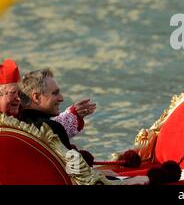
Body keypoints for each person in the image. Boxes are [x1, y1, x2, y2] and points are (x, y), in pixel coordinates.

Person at [17, 67, 149, 185]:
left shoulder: (18, 123)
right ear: (36, 97)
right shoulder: (50, 128)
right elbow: (78, 177)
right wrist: (127, 181)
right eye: (55, 93)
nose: (62, 98)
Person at [0, 58, 95, 137]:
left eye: (19, 93)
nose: (18, 98)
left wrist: (73, 114)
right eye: (13, 93)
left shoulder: (24, 116)